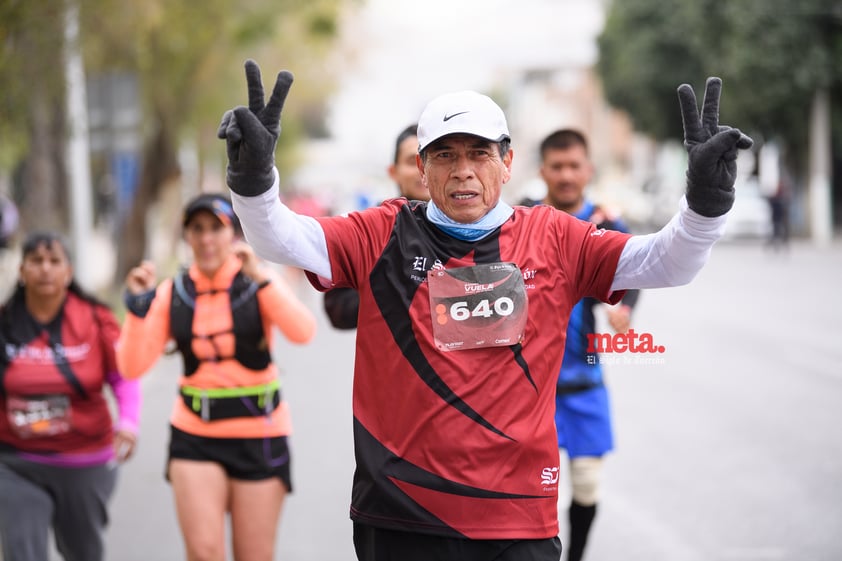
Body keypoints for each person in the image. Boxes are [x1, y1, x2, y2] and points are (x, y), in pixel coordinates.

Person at [217, 60, 753, 561]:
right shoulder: (381, 231)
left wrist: (704, 204)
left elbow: (667, 263)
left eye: (479, 153)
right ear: (421, 169)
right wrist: (254, 184)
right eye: (445, 155)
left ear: (508, 161)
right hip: (401, 513)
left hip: (517, 520)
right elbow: (282, 240)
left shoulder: (554, 237)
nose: (463, 171)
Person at [116, 193, 316, 561]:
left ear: (232, 235)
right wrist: (136, 309)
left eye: (216, 229)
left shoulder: (256, 281)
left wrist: (261, 279)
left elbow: (304, 332)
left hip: (261, 435)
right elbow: (131, 367)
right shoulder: (172, 292)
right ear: (187, 237)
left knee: (253, 555)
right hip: (195, 436)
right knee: (204, 553)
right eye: (197, 229)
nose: (206, 239)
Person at [521, 129, 640, 561]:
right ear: (543, 171)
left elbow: (633, 276)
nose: (567, 175)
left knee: (587, 482)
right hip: (530, 387)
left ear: (588, 169)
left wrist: (625, 310)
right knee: (535, 490)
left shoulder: (609, 223)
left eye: (574, 166)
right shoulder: (522, 222)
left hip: (585, 378)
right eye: (557, 166)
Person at [0, 231, 140, 561]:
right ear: (22, 271)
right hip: (17, 462)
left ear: (69, 271)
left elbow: (124, 377)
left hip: (85, 461)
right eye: (36, 261)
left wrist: (129, 422)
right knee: (23, 552)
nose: (45, 269)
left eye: (54, 261)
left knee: (83, 552)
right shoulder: (4, 322)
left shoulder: (95, 319)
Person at [323, 123, 429, 329]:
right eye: (412, 161)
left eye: (436, 158)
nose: (423, 170)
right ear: (393, 171)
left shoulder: (473, 226)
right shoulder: (370, 229)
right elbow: (337, 310)